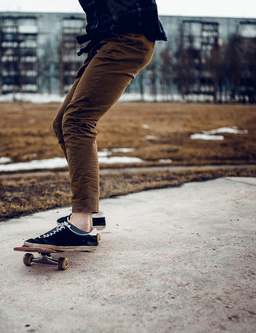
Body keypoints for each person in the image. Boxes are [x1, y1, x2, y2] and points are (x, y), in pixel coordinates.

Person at [24, 0, 167, 250]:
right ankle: (90, 214)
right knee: (62, 123)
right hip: (108, 40)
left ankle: (81, 224)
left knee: (78, 121)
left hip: (127, 38)